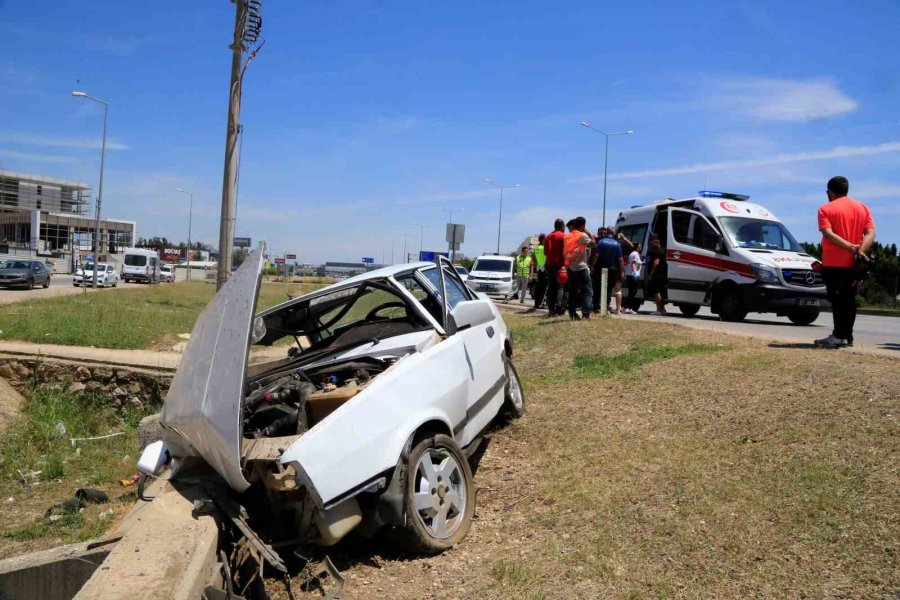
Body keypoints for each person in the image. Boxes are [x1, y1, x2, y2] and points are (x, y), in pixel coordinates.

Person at [814, 176, 875, 348]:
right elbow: (870, 233)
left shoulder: (825, 209)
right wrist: (860, 250)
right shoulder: (862, 208)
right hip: (854, 264)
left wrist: (849, 247)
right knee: (849, 299)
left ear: (830, 192)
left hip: (833, 262)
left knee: (838, 301)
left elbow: (828, 234)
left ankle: (838, 335)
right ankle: (848, 335)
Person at [565, 216, 596, 320]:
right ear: (583, 225)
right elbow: (593, 244)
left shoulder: (567, 236)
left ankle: (572, 314)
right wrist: (588, 233)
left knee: (572, 292)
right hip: (581, 268)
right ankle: (585, 315)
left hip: (570, 268)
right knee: (587, 292)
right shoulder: (582, 235)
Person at [593, 227, 625, 314]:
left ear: (607, 232)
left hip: (601, 268)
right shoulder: (617, 244)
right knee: (609, 289)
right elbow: (621, 259)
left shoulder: (601, 242)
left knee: (597, 288)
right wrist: (622, 271)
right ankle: (606, 307)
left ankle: (596, 307)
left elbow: (596, 255)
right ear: (614, 233)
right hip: (613, 269)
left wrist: (592, 266)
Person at [543, 219, 566, 315]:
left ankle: (551, 309)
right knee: (560, 287)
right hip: (560, 265)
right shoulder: (564, 236)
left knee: (551, 287)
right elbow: (566, 252)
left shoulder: (548, 236)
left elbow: (545, 252)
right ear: (562, 226)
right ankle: (559, 307)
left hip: (549, 265)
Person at [646, 234, 667, 315]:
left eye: (651, 243)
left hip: (657, 275)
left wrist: (651, 274)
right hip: (661, 275)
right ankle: (663, 310)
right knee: (659, 292)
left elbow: (656, 262)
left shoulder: (657, 251)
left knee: (656, 292)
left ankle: (658, 310)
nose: (650, 244)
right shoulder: (661, 250)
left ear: (656, 242)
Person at [623, 241, 643, 314]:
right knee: (633, 292)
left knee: (632, 292)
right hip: (632, 275)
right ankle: (627, 307)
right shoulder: (635, 254)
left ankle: (628, 307)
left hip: (631, 274)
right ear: (637, 247)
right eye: (639, 246)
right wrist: (634, 272)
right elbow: (633, 263)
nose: (640, 248)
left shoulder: (635, 253)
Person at [531, 233, 548, 310]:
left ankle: (537, 303)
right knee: (543, 288)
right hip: (544, 268)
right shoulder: (544, 248)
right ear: (543, 240)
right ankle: (541, 303)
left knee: (539, 287)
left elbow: (534, 259)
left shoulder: (536, 248)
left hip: (539, 268)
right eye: (546, 239)